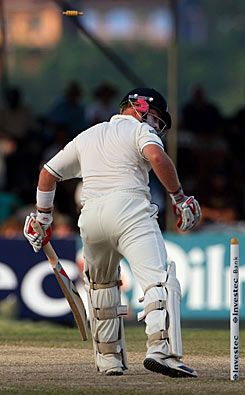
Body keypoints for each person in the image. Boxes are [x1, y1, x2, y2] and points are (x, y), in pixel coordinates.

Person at [22, 88, 201, 377]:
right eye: (155, 117)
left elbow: (47, 174)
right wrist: (179, 198)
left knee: (102, 286)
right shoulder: (140, 131)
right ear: (139, 107)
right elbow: (157, 156)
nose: (157, 125)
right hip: (130, 209)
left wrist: (43, 218)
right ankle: (162, 351)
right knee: (159, 280)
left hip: (91, 217)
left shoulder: (88, 135)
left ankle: (108, 360)